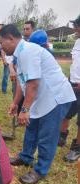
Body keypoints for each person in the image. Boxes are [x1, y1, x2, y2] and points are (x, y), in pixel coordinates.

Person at [0, 24, 75, 184]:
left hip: (56, 97)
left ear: (11, 38)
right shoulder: (19, 54)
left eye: (2, 42)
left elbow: (33, 84)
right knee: (31, 126)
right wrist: (15, 103)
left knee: (47, 135)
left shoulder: (28, 51)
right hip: (41, 97)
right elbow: (22, 82)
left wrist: (25, 110)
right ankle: (26, 156)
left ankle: (40, 170)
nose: (1, 47)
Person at [58, 15, 80, 162]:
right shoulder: (77, 42)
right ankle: (61, 137)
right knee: (66, 112)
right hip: (73, 84)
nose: (74, 29)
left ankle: (77, 148)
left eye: (77, 26)